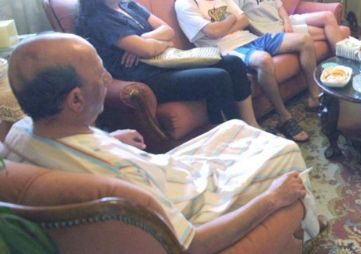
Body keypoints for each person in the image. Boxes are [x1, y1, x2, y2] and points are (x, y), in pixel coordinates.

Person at [3, 33, 320, 252]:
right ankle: (303, 222)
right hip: (189, 197)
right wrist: (273, 199)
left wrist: (109, 140)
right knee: (284, 150)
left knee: (235, 127)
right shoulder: (119, 187)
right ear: (75, 99)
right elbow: (192, 244)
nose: (108, 80)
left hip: (162, 172)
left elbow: (73, 155)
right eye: (101, 74)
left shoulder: (20, 132)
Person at [75, 0, 258, 127]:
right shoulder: (99, 20)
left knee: (233, 63)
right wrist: (150, 45)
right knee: (218, 77)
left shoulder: (128, 5)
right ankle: (231, 133)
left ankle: (251, 125)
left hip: (167, 60)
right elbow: (148, 51)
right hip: (146, 75)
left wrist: (142, 40)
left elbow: (167, 30)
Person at [174, 0, 318, 143]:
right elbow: (213, 33)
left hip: (250, 39)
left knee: (304, 40)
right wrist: (228, 22)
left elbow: (243, 19)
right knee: (263, 60)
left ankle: (315, 96)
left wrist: (224, 26)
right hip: (228, 50)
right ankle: (284, 116)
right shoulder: (185, 2)